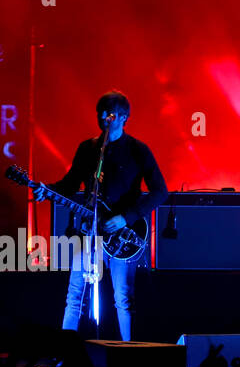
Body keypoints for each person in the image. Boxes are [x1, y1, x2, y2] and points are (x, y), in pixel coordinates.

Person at [33, 90, 167, 341]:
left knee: (123, 297)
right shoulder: (88, 148)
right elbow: (70, 184)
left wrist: (128, 217)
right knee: (74, 295)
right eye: (101, 112)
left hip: (121, 236)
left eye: (110, 113)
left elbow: (160, 191)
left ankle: (128, 354)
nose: (104, 117)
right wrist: (46, 190)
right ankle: (66, 354)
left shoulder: (138, 150)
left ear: (124, 117)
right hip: (88, 232)